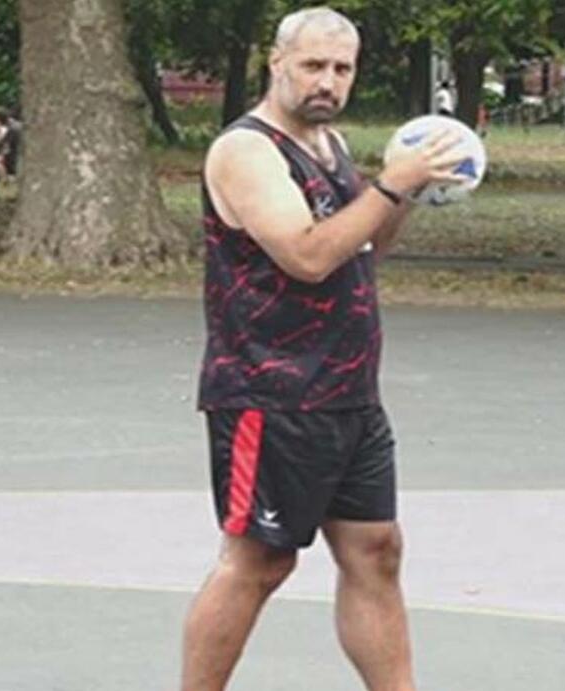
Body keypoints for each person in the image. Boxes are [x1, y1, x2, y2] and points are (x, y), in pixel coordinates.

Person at [183, 7, 466, 691]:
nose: (327, 82)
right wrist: (391, 182)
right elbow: (308, 256)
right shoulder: (247, 150)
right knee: (259, 561)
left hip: (349, 391)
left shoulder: (329, 144)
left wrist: (410, 189)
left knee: (376, 550)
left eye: (342, 68)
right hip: (272, 394)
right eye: (313, 65)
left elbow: (363, 243)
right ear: (276, 63)